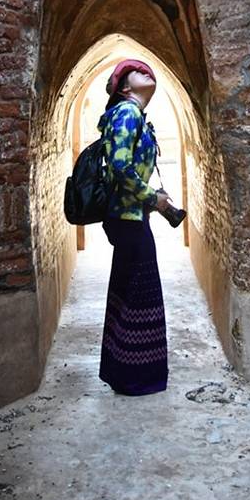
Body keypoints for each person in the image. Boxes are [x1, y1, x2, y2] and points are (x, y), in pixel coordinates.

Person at [96, 58, 173, 396]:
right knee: (141, 295)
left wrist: (151, 196)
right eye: (138, 72)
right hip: (128, 219)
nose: (147, 73)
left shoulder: (133, 115)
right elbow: (119, 167)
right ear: (126, 87)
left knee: (128, 293)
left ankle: (123, 371)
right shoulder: (127, 112)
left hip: (128, 217)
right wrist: (151, 198)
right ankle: (136, 377)